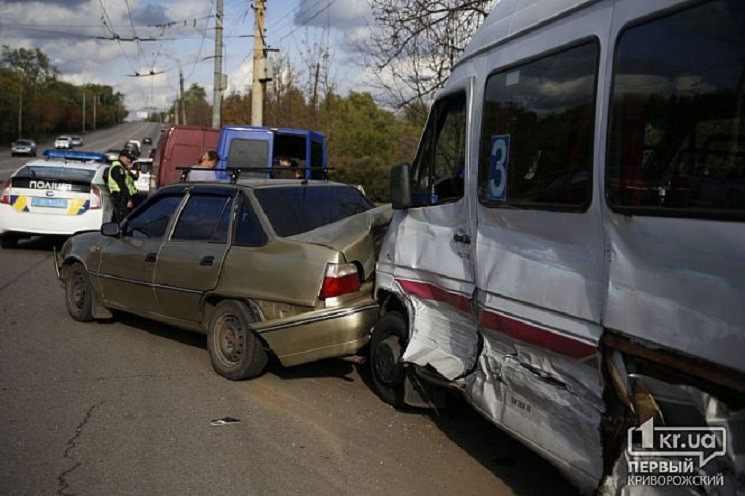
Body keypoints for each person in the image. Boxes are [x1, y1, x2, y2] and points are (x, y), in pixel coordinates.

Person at [108, 148, 139, 223]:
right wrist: (129, 199)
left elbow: (133, 178)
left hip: (124, 198)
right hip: (121, 198)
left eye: (130, 159)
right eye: (127, 158)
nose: (129, 160)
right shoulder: (117, 168)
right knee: (122, 221)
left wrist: (129, 170)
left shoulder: (123, 168)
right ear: (121, 157)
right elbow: (122, 185)